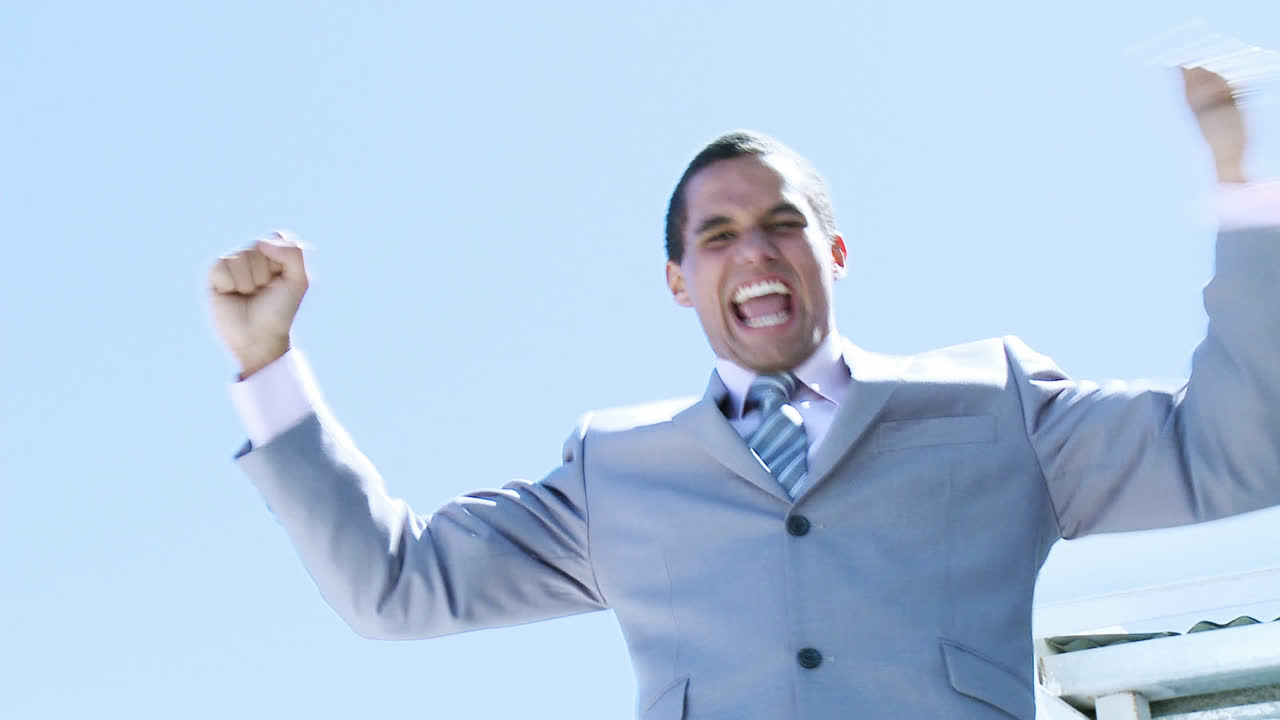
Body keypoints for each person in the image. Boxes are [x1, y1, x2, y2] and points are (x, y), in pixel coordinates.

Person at [209, 68, 1280, 719]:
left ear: (836, 252)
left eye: (780, 224)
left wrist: (1245, 195)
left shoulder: (993, 405)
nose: (751, 252)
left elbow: (1233, 451)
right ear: (677, 281)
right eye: (715, 236)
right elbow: (395, 589)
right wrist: (269, 371)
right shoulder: (610, 472)